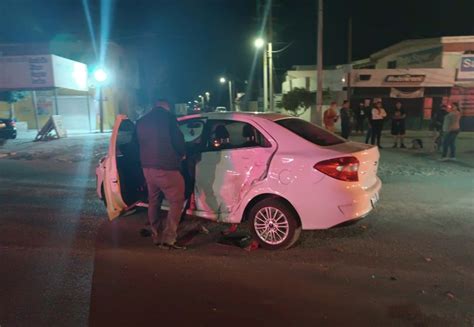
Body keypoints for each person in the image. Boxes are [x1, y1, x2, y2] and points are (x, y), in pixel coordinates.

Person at [136, 99, 187, 250]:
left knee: (153, 200)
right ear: (167, 107)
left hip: (147, 169)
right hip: (167, 168)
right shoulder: (169, 119)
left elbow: (136, 143)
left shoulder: (141, 121)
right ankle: (169, 238)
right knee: (177, 201)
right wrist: (182, 154)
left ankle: (156, 235)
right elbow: (178, 140)